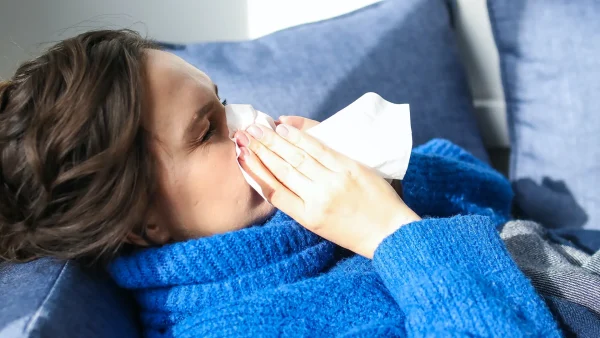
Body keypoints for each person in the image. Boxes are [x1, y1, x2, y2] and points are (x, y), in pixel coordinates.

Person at [0, 30, 561, 336]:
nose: (251, 118)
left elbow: (493, 196)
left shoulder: (302, 217)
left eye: (221, 101)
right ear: (140, 222)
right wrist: (391, 233)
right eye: (208, 131)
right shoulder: (233, 326)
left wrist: (378, 171)